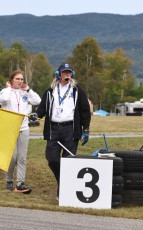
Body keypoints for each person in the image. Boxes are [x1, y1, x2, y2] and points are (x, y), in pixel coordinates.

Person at [35, 63, 91, 198]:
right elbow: (42, 108)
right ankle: (64, 182)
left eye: (69, 73)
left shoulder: (77, 91)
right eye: (65, 73)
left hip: (70, 129)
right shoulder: (50, 91)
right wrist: (35, 116)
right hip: (53, 128)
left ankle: (63, 191)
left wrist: (86, 129)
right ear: (58, 74)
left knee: (68, 160)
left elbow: (85, 111)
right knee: (52, 159)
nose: (67, 75)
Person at [0, 70, 41, 193]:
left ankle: (20, 183)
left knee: (22, 157)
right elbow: (4, 100)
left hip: (24, 128)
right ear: (11, 80)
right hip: (10, 129)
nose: (20, 81)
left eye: (22, 79)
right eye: (17, 79)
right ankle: (9, 179)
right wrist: (8, 88)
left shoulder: (25, 93)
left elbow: (37, 100)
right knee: (13, 157)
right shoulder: (5, 92)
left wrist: (28, 90)